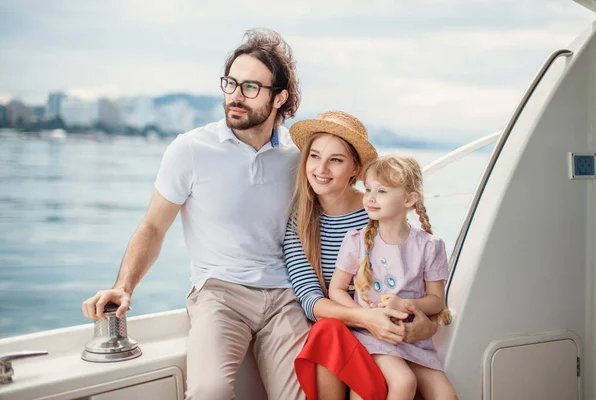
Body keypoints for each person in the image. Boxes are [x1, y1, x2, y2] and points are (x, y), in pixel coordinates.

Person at [81, 29, 311, 400]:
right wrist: (123, 287)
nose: (235, 95)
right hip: (219, 293)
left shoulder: (297, 156)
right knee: (209, 391)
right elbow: (154, 226)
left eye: (251, 87)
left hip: (284, 295)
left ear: (279, 97)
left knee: (303, 393)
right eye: (231, 83)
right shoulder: (190, 149)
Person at [284, 111, 442, 400]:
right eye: (315, 156)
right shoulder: (300, 223)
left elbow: (413, 280)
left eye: (336, 159)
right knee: (327, 331)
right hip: (338, 329)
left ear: (356, 167)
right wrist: (368, 319)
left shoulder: (377, 211)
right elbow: (310, 299)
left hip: (384, 332)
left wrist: (425, 325)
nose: (321, 169)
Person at [329, 154, 456, 399]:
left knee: (446, 396)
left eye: (382, 191)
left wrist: (405, 305)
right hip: (374, 335)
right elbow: (336, 290)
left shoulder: (430, 246)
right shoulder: (355, 241)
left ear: (409, 199)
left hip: (414, 341)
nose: (371, 197)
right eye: (368, 189)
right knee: (403, 381)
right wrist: (368, 316)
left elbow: (436, 301)